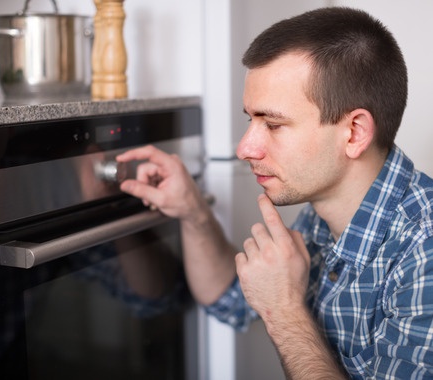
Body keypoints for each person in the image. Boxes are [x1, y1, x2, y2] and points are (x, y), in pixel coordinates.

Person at [116, 6, 433, 379]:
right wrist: (193, 212)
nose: (244, 148)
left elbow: (275, 304)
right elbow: (230, 301)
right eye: (251, 120)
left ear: (354, 133)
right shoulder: (326, 209)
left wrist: (284, 311)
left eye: (274, 124)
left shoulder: (423, 247)